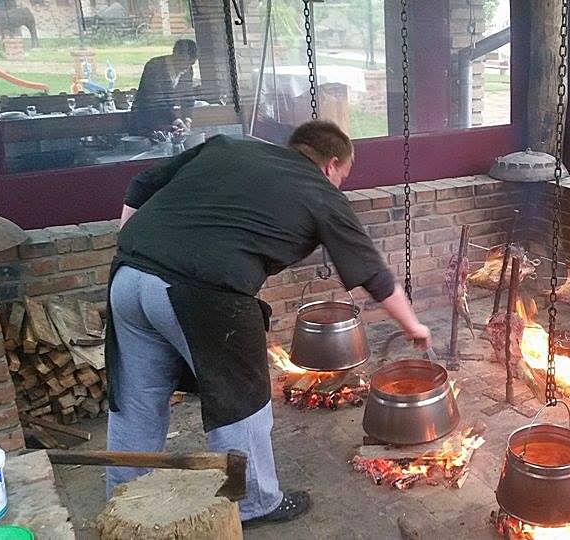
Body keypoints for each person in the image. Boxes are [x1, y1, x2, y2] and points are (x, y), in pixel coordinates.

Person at [104, 120, 432, 526]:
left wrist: (135, 246)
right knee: (241, 402)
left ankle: (124, 500)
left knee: (135, 399)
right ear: (331, 165)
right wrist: (413, 326)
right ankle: (255, 503)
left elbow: (141, 183)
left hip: (128, 277)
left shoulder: (228, 147)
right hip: (205, 291)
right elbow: (374, 274)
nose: (340, 185)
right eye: (343, 176)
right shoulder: (320, 192)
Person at [129, 39, 197, 137]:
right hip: (144, 122)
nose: (187, 67)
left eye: (191, 63)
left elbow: (188, 98)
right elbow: (157, 100)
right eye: (185, 61)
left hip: (168, 124)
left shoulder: (188, 70)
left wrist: (187, 120)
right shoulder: (154, 66)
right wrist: (177, 121)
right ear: (176, 54)